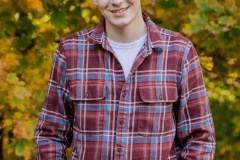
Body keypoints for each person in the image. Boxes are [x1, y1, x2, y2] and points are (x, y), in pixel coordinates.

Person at [35, 0, 216, 159]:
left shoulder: (179, 51)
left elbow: (200, 139)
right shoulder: (71, 51)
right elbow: (50, 136)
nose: (116, 1)